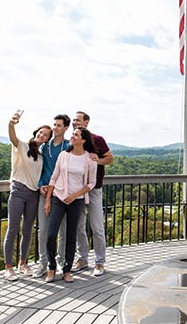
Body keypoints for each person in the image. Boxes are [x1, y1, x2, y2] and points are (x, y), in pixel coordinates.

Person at [44, 127, 97, 283]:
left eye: (76, 135)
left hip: (77, 201)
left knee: (71, 236)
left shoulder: (89, 159)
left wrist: (75, 195)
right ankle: (51, 267)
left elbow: (92, 183)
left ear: (83, 140)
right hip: (58, 198)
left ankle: (67, 270)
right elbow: (54, 178)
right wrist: (48, 200)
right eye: (73, 134)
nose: (72, 137)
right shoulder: (64, 155)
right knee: (51, 234)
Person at [4, 110, 52, 281]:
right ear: (36, 132)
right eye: (41, 132)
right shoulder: (22, 146)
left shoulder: (41, 156)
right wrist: (11, 124)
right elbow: (12, 137)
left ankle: (22, 263)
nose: (42, 135)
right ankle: (8, 267)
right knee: (13, 229)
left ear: (47, 139)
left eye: (46, 135)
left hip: (33, 194)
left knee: (27, 230)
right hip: (18, 191)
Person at [71, 111, 114, 277]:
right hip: (77, 190)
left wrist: (98, 160)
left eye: (78, 120)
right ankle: (82, 259)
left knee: (96, 226)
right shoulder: (73, 141)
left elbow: (110, 159)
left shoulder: (97, 139)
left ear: (87, 122)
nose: (75, 122)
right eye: (73, 120)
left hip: (94, 189)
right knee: (79, 226)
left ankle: (99, 262)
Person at [32, 114, 71, 278]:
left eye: (59, 125)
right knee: (43, 230)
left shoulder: (69, 146)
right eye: (54, 125)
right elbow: (39, 168)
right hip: (44, 192)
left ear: (66, 128)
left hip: (61, 195)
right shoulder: (44, 147)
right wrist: (41, 185)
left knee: (63, 231)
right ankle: (43, 263)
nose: (55, 128)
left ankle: (61, 263)